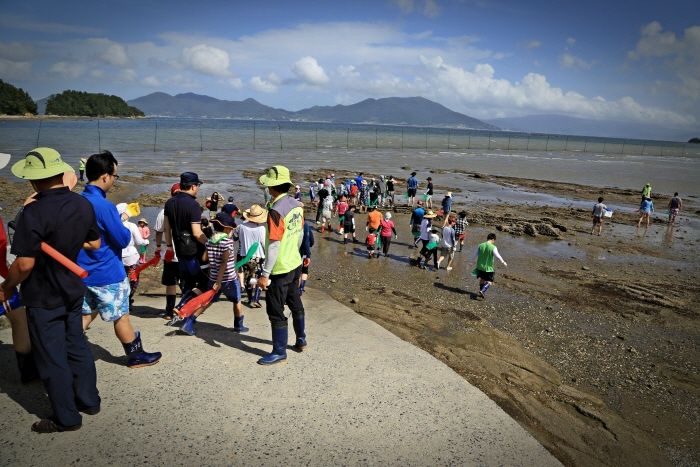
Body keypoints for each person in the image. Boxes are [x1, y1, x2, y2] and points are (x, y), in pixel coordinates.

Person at [2, 147, 102, 432]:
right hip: (72, 288)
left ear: (33, 180)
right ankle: (89, 399)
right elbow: (93, 242)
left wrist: (8, 286)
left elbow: (23, 264)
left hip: (43, 294)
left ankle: (66, 418)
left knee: (51, 356)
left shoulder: (32, 213)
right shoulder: (82, 204)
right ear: (61, 173)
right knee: (77, 345)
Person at [79, 151, 161, 368]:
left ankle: (65, 349)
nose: (115, 180)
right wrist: (123, 218)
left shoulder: (79, 200)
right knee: (121, 316)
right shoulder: (104, 206)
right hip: (106, 271)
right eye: (115, 176)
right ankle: (136, 355)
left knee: (86, 313)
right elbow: (123, 239)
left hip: (82, 271)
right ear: (105, 176)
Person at [257, 165, 306, 365]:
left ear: (272, 187)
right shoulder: (297, 205)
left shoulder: (276, 211)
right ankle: (301, 338)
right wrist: (296, 254)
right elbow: (301, 234)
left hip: (280, 268)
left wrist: (265, 273)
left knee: (275, 309)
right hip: (295, 263)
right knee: (295, 302)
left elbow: (275, 245)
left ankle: (279, 351)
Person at [178, 212, 248, 336]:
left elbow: (205, 258)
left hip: (213, 277)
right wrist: (219, 282)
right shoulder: (227, 242)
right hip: (228, 279)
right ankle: (238, 325)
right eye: (231, 229)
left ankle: (188, 323)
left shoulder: (210, 241)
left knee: (207, 301)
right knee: (237, 300)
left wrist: (212, 255)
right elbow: (224, 263)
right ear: (226, 228)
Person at [163, 171, 210, 329]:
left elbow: (167, 228)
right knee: (204, 283)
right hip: (193, 252)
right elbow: (197, 233)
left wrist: (169, 246)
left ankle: (183, 313)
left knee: (188, 284)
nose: (198, 189)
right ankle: (182, 306)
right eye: (197, 186)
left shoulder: (169, 203)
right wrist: (210, 243)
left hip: (179, 250)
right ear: (192, 186)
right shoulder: (193, 205)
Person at [153, 183, 182, 320]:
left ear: (171, 194)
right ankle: (184, 310)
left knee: (171, 284)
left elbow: (158, 232)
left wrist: (158, 247)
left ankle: (169, 312)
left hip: (169, 254)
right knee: (187, 283)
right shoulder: (188, 209)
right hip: (185, 253)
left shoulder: (163, 211)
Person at [118, 204, 149, 311]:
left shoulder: (113, 224)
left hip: (117, 256)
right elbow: (139, 241)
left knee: (120, 279)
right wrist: (147, 241)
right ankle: (128, 300)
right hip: (131, 256)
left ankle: (121, 300)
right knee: (133, 279)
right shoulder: (131, 225)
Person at [236, 204, 268, 308]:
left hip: (245, 256)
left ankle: (250, 299)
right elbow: (263, 244)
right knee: (259, 277)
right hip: (258, 256)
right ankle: (256, 299)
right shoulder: (261, 229)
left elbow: (235, 238)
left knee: (248, 278)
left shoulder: (240, 227)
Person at [472, 233, 507, 299]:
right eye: (494, 241)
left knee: (482, 279)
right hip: (488, 268)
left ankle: (481, 291)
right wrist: (503, 262)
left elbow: (475, 255)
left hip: (480, 266)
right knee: (490, 281)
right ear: (493, 239)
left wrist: (471, 262)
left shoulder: (480, 245)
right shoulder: (493, 247)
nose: (494, 242)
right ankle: (482, 290)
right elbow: (498, 256)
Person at [299, 221, 314, 295]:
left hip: (297, 252)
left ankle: (295, 288)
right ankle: (301, 288)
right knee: (304, 270)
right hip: (305, 252)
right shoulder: (307, 227)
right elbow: (311, 241)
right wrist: (308, 255)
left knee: (297, 271)